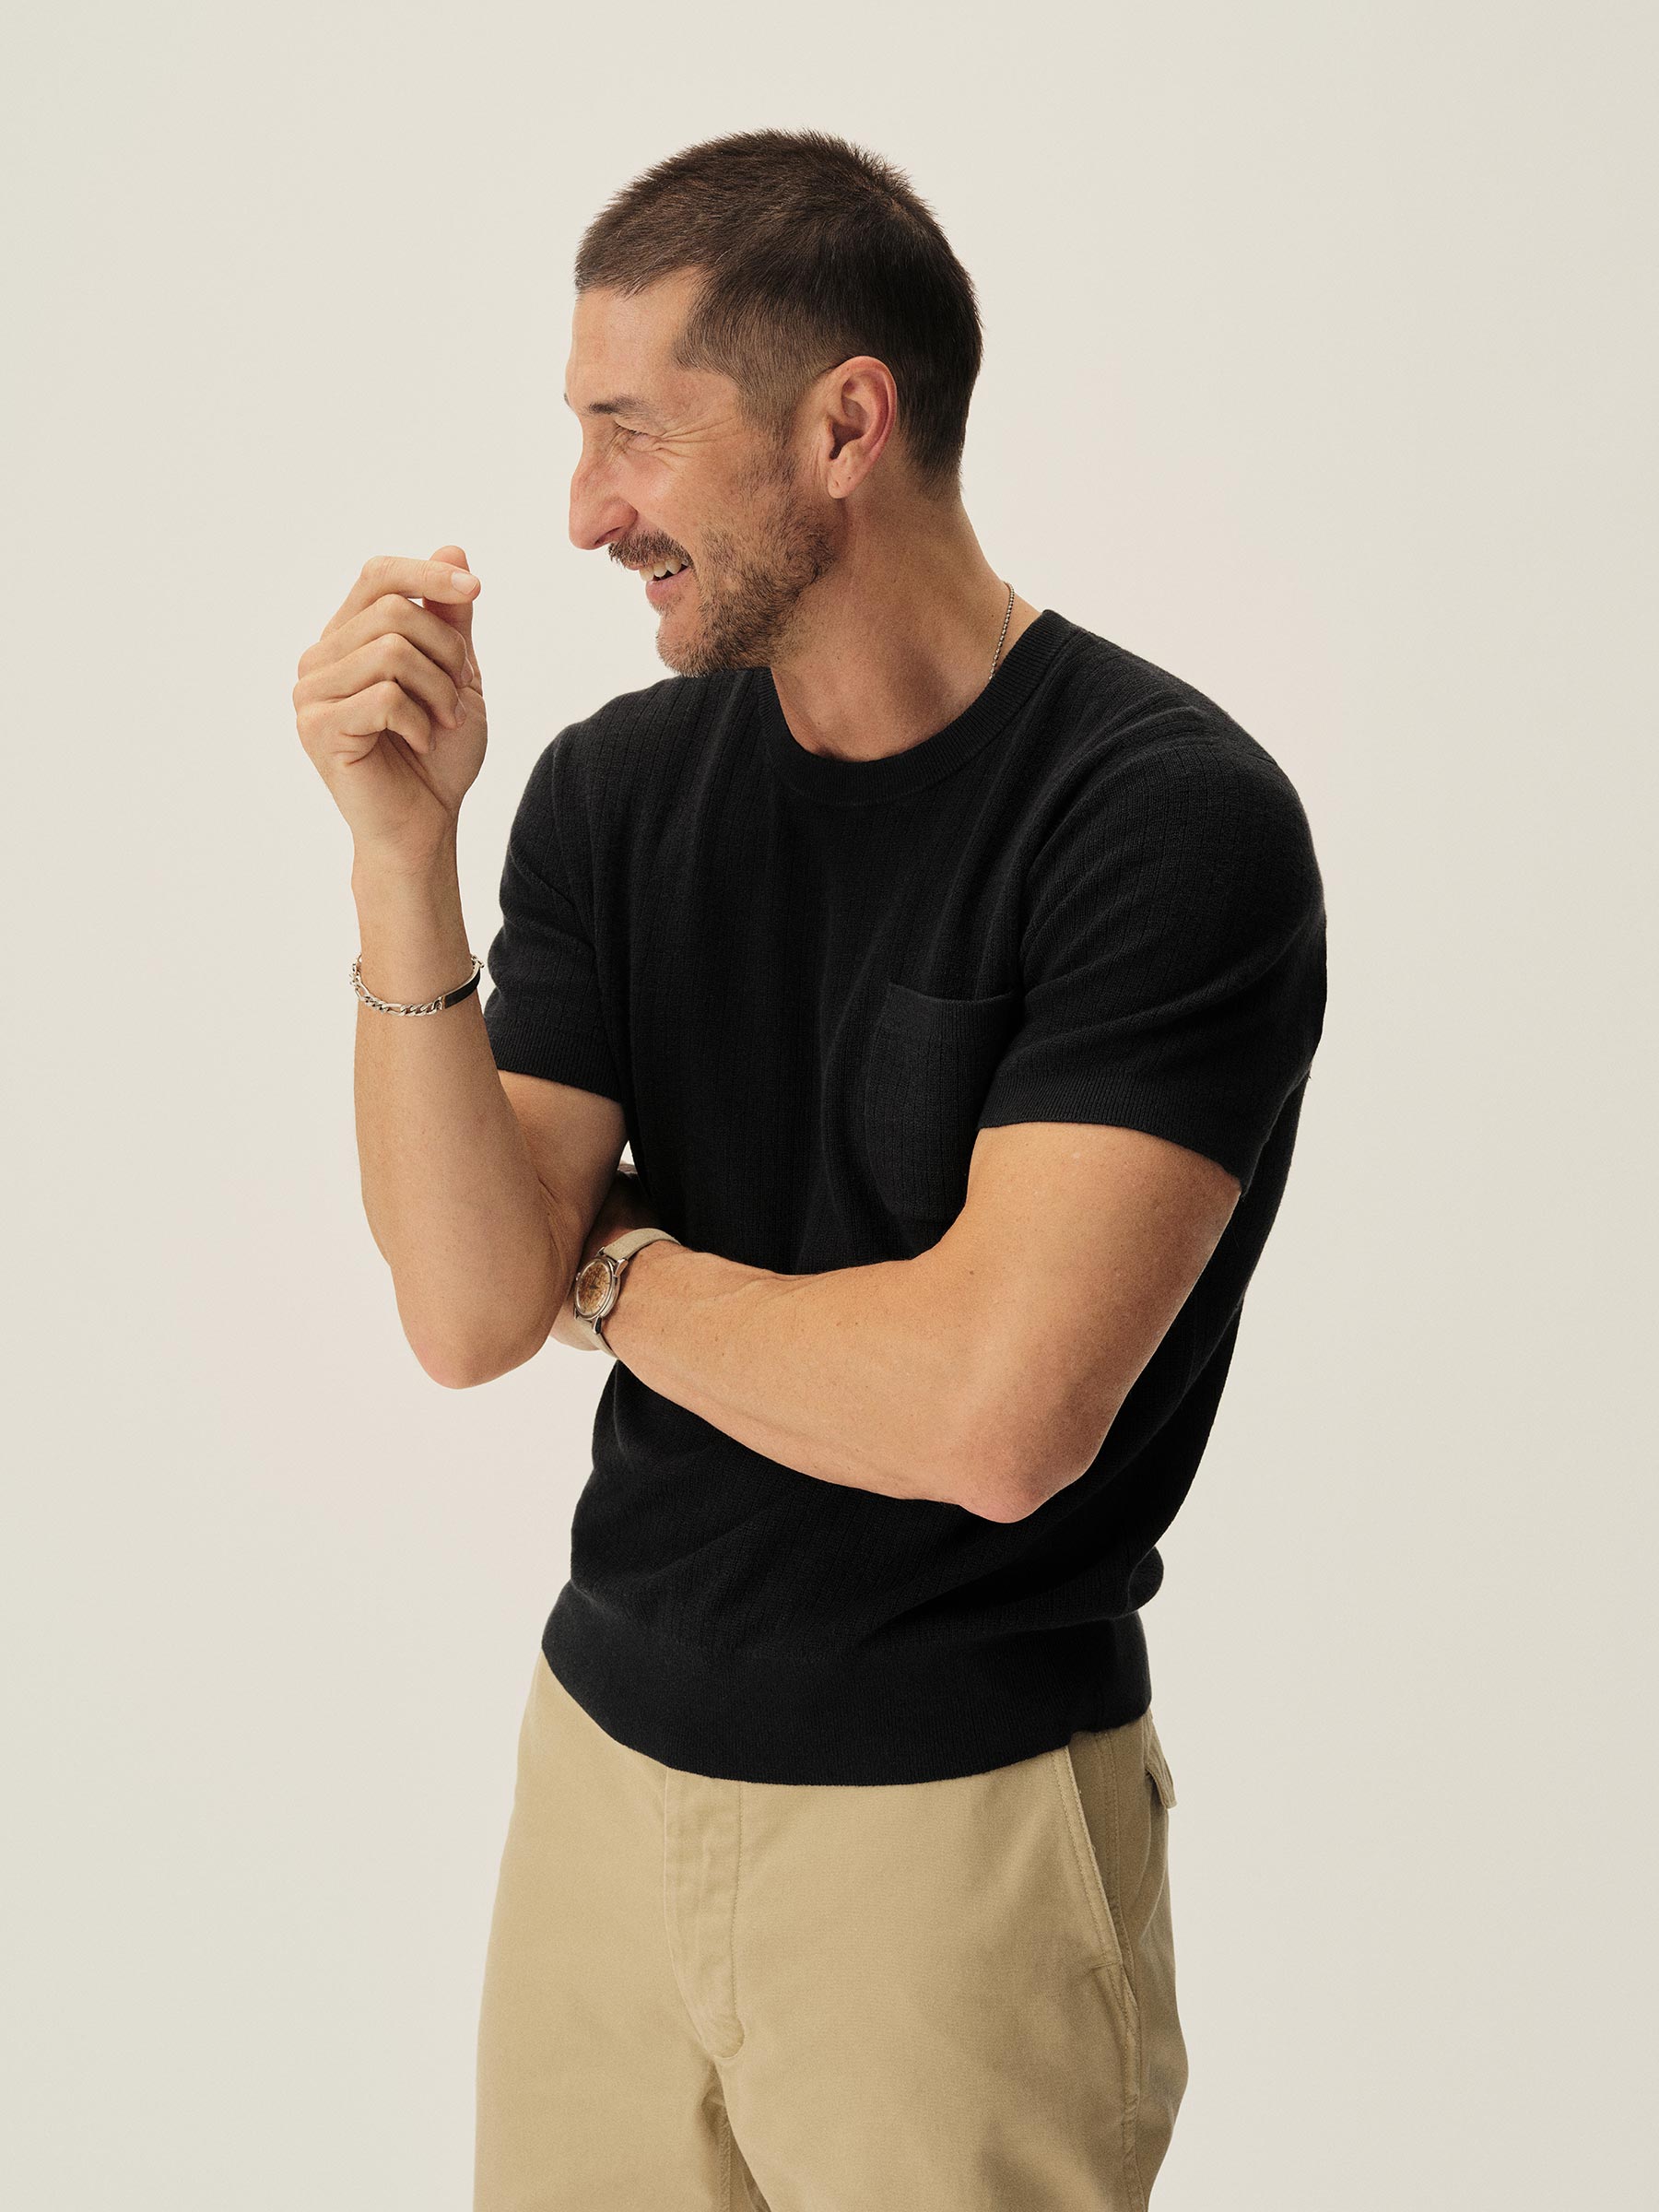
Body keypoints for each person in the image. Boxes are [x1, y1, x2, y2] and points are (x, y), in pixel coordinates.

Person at [293, 126, 1326, 2212]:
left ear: (846, 425)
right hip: (599, 1781)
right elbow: (469, 1310)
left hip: (954, 1834)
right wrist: (405, 856)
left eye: (634, 433)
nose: (585, 511)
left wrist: (616, 1272)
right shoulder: (613, 791)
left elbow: (995, 1417)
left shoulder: (1160, 820)